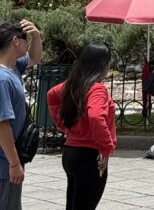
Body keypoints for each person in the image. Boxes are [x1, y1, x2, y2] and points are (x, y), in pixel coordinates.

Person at [47, 43, 115, 210]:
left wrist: (64, 125)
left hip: (71, 153)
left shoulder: (74, 84)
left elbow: (51, 95)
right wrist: (106, 148)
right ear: (102, 64)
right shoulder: (97, 89)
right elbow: (96, 117)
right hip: (89, 157)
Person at [0, 19, 43, 209]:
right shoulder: (2, 79)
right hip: (4, 165)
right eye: (26, 38)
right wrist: (14, 163)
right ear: (15, 41)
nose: (28, 42)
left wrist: (36, 35)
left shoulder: (14, 67)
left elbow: (34, 57)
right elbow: (2, 124)